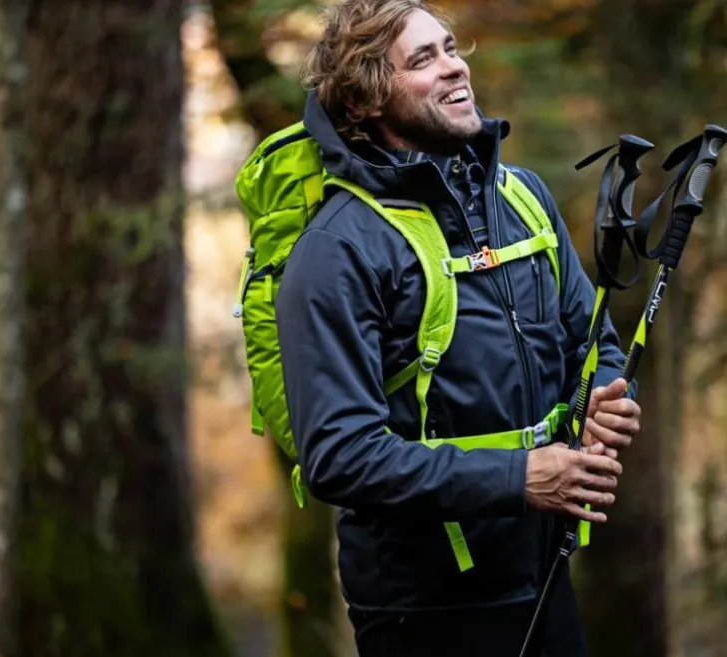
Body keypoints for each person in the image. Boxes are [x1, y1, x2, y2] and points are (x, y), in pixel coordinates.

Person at [275, 1, 642, 655]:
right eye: (423, 59)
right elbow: (338, 456)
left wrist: (602, 393)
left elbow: (592, 340)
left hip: (545, 572)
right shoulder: (339, 249)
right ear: (364, 102)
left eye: (451, 48)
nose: (455, 68)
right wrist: (520, 478)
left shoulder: (521, 196)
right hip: (424, 607)